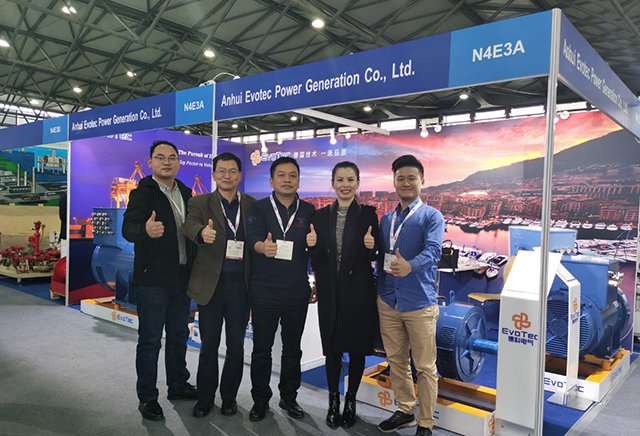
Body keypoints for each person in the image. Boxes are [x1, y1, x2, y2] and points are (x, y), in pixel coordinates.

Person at [122, 140, 197, 421]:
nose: (167, 162)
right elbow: (128, 228)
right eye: (160, 157)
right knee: (151, 340)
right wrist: (145, 229)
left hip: (181, 278)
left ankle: (178, 384)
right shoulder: (142, 193)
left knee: (178, 335)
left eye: (172, 157)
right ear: (150, 162)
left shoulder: (187, 193)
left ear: (178, 162)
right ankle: (147, 398)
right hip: (153, 280)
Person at [183, 152, 256, 418]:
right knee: (209, 345)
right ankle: (205, 397)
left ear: (240, 175)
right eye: (221, 171)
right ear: (214, 175)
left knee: (236, 346)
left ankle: (229, 397)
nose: (227, 176)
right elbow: (189, 224)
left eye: (232, 171)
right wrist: (201, 232)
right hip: (210, 285)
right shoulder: (200, 202)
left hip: (240, 287)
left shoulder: (252, 205)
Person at [376, 155, 444, 436]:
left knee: (425, 366)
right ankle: (405, 410)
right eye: (400, 178)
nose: (405, 183)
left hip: (419, 302)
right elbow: (381, 256)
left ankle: (425, 422)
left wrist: (410, 266)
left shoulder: (432, 216)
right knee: (396, 360)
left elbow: (434, 251)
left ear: (422, 181)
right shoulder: (386, 219)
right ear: (394, 181)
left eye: (411, 178)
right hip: (387, 299)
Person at [307, 161, 379, 428]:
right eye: (340, 180)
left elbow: (374, 253)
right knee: (333, 349)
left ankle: (351, 400)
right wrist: (311, 247)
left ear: (358, 183)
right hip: (330, 290)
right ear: (333, 183)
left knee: (357, 348)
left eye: (350, 179)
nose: (345, 185)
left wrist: (371, 247)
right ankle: (333, 401)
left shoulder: (368, 214)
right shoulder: (320, 216)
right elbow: (317, 257)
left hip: (358, 290)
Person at [246, 156, 315, 421]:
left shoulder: (309, 210)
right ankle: (260, 400)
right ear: (271, 180)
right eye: (281, 175)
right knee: (261, 349)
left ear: (298, 180)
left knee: (292, 349)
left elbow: (317, 250)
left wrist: (316, 244)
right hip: (264, 288)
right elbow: (252, 236)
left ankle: (289, 397)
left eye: (292, 175)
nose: (287, 180)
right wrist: (261, 247)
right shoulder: (259, 208)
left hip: (297, 290)